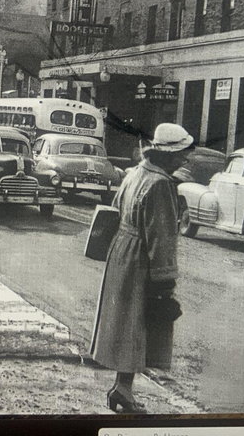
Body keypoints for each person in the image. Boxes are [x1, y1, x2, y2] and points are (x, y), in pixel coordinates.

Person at [89, 123, 194, 413]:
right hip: (141, 260)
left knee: (128, 325)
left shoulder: (136, 173)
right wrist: (165, 281)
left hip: (122, 252)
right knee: (138, 325)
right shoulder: (161, 184)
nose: (184, 159)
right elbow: (161, 236)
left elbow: (115, 207)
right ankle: (122, 390)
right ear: (167, 155)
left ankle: (122, 388)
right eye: (181, 154)